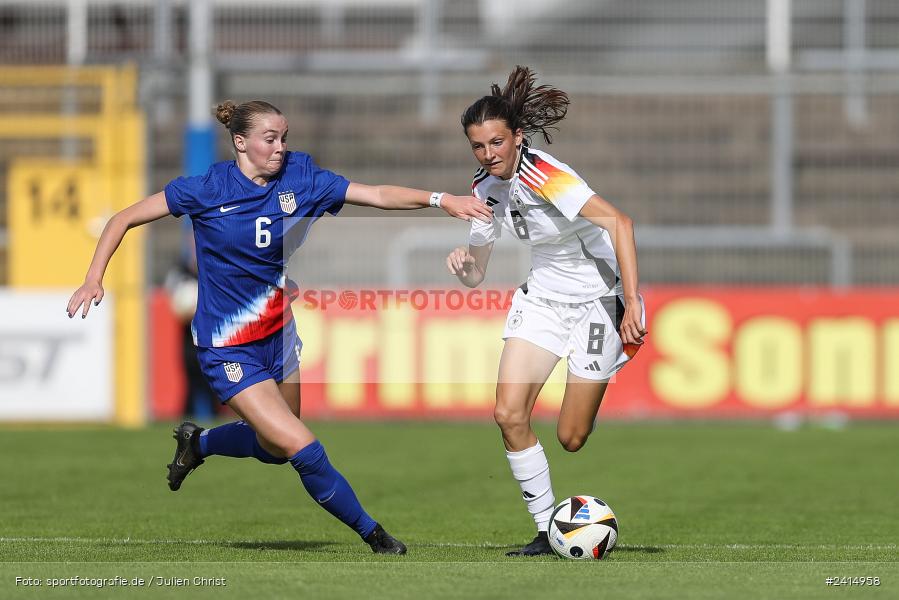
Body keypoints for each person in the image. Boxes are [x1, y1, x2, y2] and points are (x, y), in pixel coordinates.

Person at [67, 99, 493, 555]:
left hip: (279, 335)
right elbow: (124, 218)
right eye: (270, 139)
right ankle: (376, 536)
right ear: (240, 142)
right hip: (228, 346)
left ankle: (199, 443)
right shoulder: (208, 188)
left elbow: (375, 194)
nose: (280, 148)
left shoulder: (300, 177)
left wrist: (441, 199)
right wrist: (94, 277)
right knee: (299, 444)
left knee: (273, 448)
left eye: (284, 138)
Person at [446, 67, 647, 556]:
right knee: (507, 413)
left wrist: (632, 301)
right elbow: (477, 273)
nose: (488, 154)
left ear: (518, 137)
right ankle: (544, 530)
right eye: (478, 146)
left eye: (497, 142)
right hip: (541, 301)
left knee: (571, 437)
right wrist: (465, 266)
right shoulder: (485, 189)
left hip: (599, 302)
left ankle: (605, 363)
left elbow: (620, 223)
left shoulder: (545, 175)